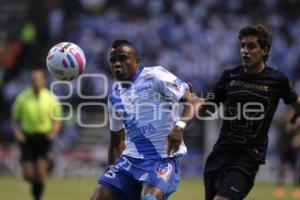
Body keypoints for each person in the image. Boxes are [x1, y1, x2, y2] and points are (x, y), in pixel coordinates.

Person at [90, 39, 201, 200]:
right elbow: (116, 143)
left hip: (162, 160)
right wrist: (111, 177)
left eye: (122, 58)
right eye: (113, 60)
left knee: (149, 198)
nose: (117, 64)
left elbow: (194, 101)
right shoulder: (114, 95)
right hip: (129, 161)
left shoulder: (155, 76)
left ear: (137, 61)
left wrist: (179, 126)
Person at [201, 24, 300, 200]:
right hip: (220, 153)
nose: (245, 51)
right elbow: (208, 106)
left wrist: (294, 121)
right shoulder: (229, 76)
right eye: (242, 46)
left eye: (251, 46)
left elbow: (296, 104)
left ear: (264, 50)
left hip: (247, 158)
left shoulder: (277, 80)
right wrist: (193, 101)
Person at [11, 69, 62, 200]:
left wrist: (53, 132)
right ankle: (34, 184)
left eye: (39, 79)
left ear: (43, 81)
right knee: (28, 175)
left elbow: (57, 119)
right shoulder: (22, 98)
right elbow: (15, 119)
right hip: (27, 137)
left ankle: (37, 197)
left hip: (43, 138)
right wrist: (17, 133)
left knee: (40, 173)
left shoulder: (51, 98)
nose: (36, 81)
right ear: (31, 81)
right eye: (34, 79)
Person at [273, 109, 300, 199]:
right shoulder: (282, 123)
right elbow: (288, 130)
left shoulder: (296, 124)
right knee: (282, 169)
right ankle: (280, 188)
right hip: (283, 149)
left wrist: (297, 138)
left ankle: (297, 189)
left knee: (295, 169)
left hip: (293, 149)